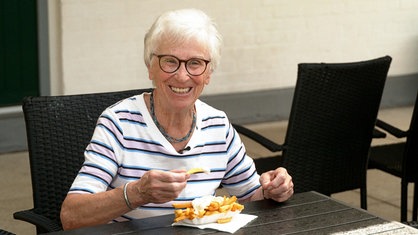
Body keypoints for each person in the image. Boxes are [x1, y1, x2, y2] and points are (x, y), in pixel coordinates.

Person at [60, 8, 293, 230]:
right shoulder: (119, 123)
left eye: (195, 63)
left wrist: (273, 189)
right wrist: (137, 193)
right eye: (170, 61)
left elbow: (252, 195)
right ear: (150, 67)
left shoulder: (218, 125)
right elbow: (71, 217)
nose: (182, 76)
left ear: (208, 74)